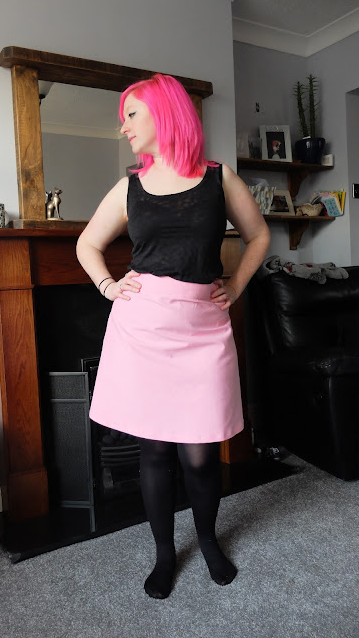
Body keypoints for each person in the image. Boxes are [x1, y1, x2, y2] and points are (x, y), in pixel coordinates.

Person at [76, 73, 270, 599]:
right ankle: (165, 554)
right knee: (155, 453)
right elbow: (87, 244)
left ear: (164, 113)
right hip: (141, 331)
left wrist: (236, 284)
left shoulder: (219, 178)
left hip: (203, 330)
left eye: (131, 115)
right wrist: (108, 285)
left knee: (201, 454)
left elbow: (258, 235)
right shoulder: (129, 187)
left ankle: (206, 540)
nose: (123, 127)